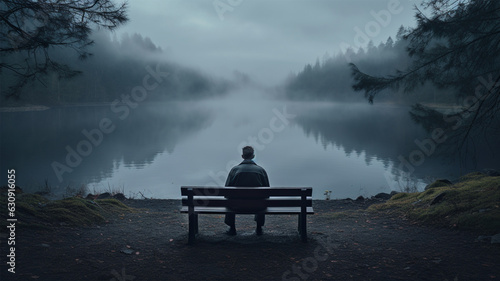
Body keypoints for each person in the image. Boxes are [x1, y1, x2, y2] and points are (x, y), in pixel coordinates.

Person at [224, 146, 270, 236]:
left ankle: (232, 228)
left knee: (229, 200)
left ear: (242, 156)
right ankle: (259, 228)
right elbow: (267, 192)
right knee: (262, 200)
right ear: (253, 156)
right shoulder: (261, 170)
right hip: (257, 206)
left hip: (236, 206)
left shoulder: (234, 170)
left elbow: (226, 191)